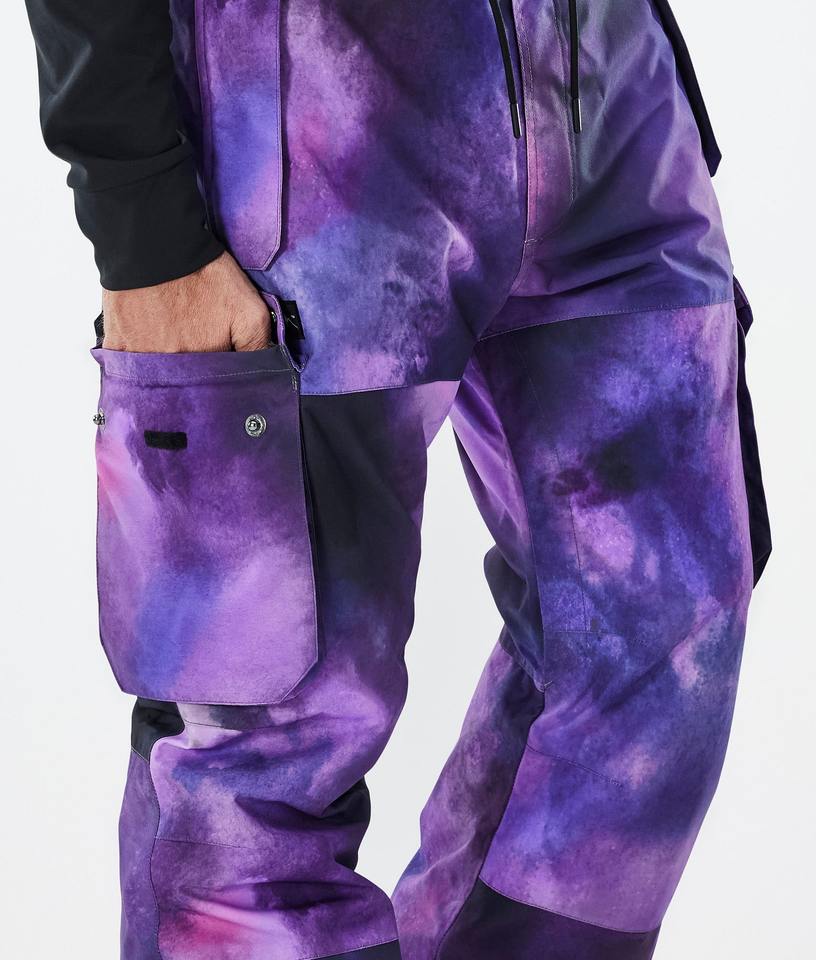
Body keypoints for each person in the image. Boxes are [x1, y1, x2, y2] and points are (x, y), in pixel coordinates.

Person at [24, 1, 771, 958]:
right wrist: (142, 218)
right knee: (258, 741)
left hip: (604, 75)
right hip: (308, 105)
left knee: (664, 645)